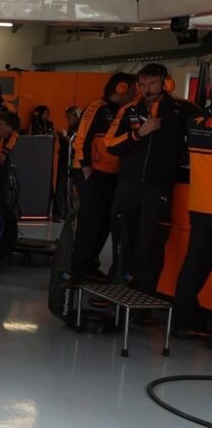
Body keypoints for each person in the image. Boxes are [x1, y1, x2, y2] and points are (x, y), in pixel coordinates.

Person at [104, 63, 189, 311]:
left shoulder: (182, 110)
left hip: (158, 189)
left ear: (166, 82)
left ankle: (143, 304)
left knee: (150, 245)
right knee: (124, 243)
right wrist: (138, 133)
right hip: (128, 188)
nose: (147, 88)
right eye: (142, 84)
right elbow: (110, 144)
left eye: (152, 82)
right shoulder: (129, 110)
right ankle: (120, 297)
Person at [71, 74, 134, 281]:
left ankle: (89, 265)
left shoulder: (122, 112)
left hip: (110, 174)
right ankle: (78, 270)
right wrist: (85, 166)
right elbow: (81, 138)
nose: (135, 94)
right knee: (90, 221)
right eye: (133, 90)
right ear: (121, 88)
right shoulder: (96, 108)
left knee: (104, 222)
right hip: (91, 172)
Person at [174, 109, 212, 338]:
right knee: (197, 264)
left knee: (195, 264)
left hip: (198, 203)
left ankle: (183, 319)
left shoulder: (196, 120)